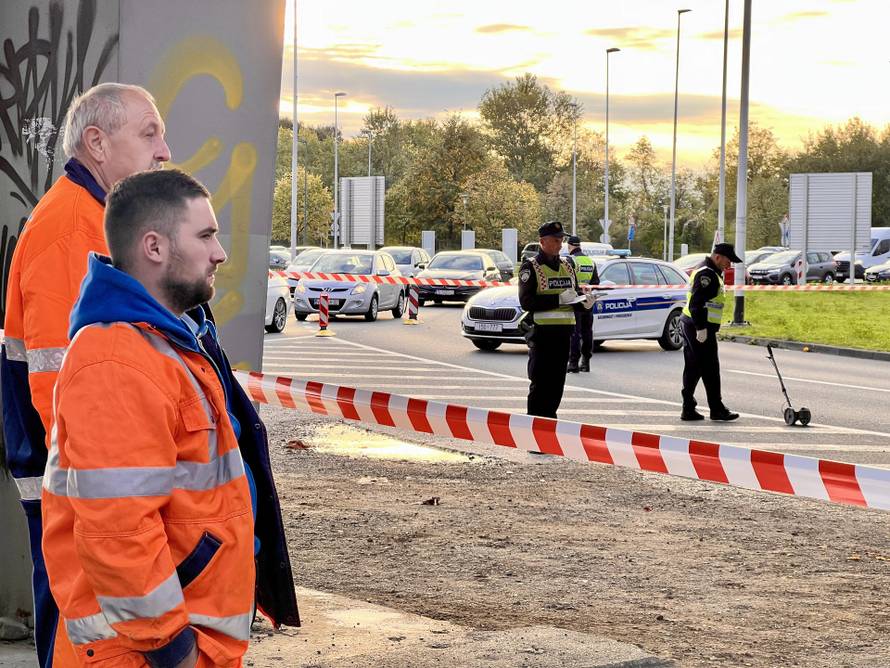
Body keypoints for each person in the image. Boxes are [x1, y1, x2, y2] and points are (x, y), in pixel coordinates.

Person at [42, 169, 294, 666]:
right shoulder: (117, 360)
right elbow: (119, 529)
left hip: (169, 639)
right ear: (154, 247)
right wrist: (174, 650)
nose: (220, 253)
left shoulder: (167, 340)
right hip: (142, 652)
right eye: (205, 235)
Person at [1, 82, 172, 667]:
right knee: (82, 632)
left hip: (82, 482)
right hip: (79, 488)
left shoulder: (91, 218)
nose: (165, 150)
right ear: (96, 143)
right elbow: (63, 385)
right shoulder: (74, 230)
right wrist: (112, 493)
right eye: (149, 134)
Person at [519, 222, 595, 418]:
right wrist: (557, 299)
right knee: (540, 383)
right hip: (542, 335)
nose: (560, 244)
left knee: (556, 384)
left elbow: (573, 297)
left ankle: (550, 425)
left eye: (561, 240)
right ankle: (534, 426)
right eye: (555, 240)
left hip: (564, 335)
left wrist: (585, 303)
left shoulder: (568, 265)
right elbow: (526, 302)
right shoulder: (531, 267)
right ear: (542, 241)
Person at [679, 242, 742, 422]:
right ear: (718, 257)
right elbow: (696, 303)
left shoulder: (709, 270)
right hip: (698, 327)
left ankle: (688, 408)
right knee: (710, 369)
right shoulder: (707, 274)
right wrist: (701, 328)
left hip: (692, 324)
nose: (729, 265)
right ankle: (717, 409)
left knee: (693, 368)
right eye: (728, 261)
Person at [565, 235, 599, 373]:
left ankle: (573, 363)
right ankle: (586, 362)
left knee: (575, 333)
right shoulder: (590, 261)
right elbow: (596, 283)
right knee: (587, 332)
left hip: (575, 301)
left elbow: (566, 281)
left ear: (569, 246)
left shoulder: (570, 260)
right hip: (588, 300)